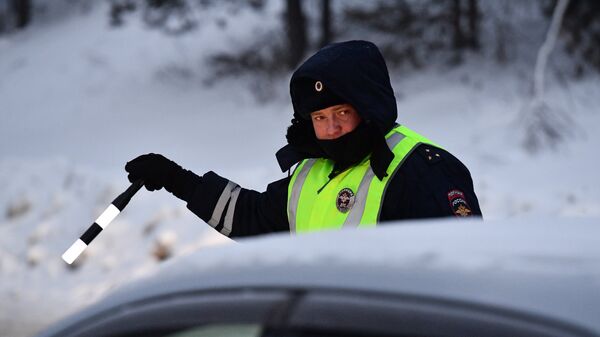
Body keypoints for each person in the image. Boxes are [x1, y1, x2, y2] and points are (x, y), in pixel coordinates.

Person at [125, 40, 482, 238]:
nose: (331, 130)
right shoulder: (312, 172)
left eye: (342, 113)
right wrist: (176, 178)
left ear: (369, 107)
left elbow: (460, 281)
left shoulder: (422, 172)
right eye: (319, 118)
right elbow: (252, 218)